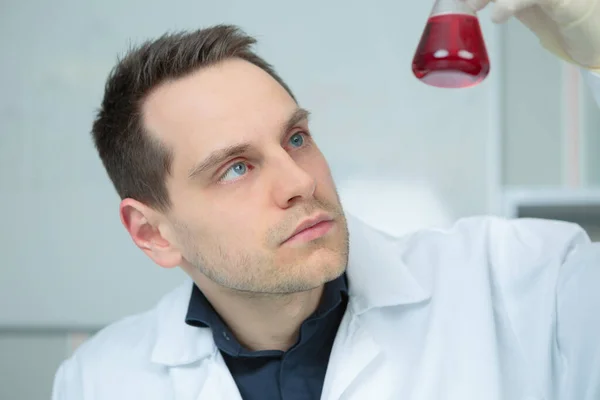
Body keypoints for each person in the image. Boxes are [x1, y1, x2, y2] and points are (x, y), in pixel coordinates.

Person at [52, 0, 600, 398]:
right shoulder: (101, 379)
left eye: (296, 138)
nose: (299, 181)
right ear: (152, 233)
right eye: (236, 168)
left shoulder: (524, 284)